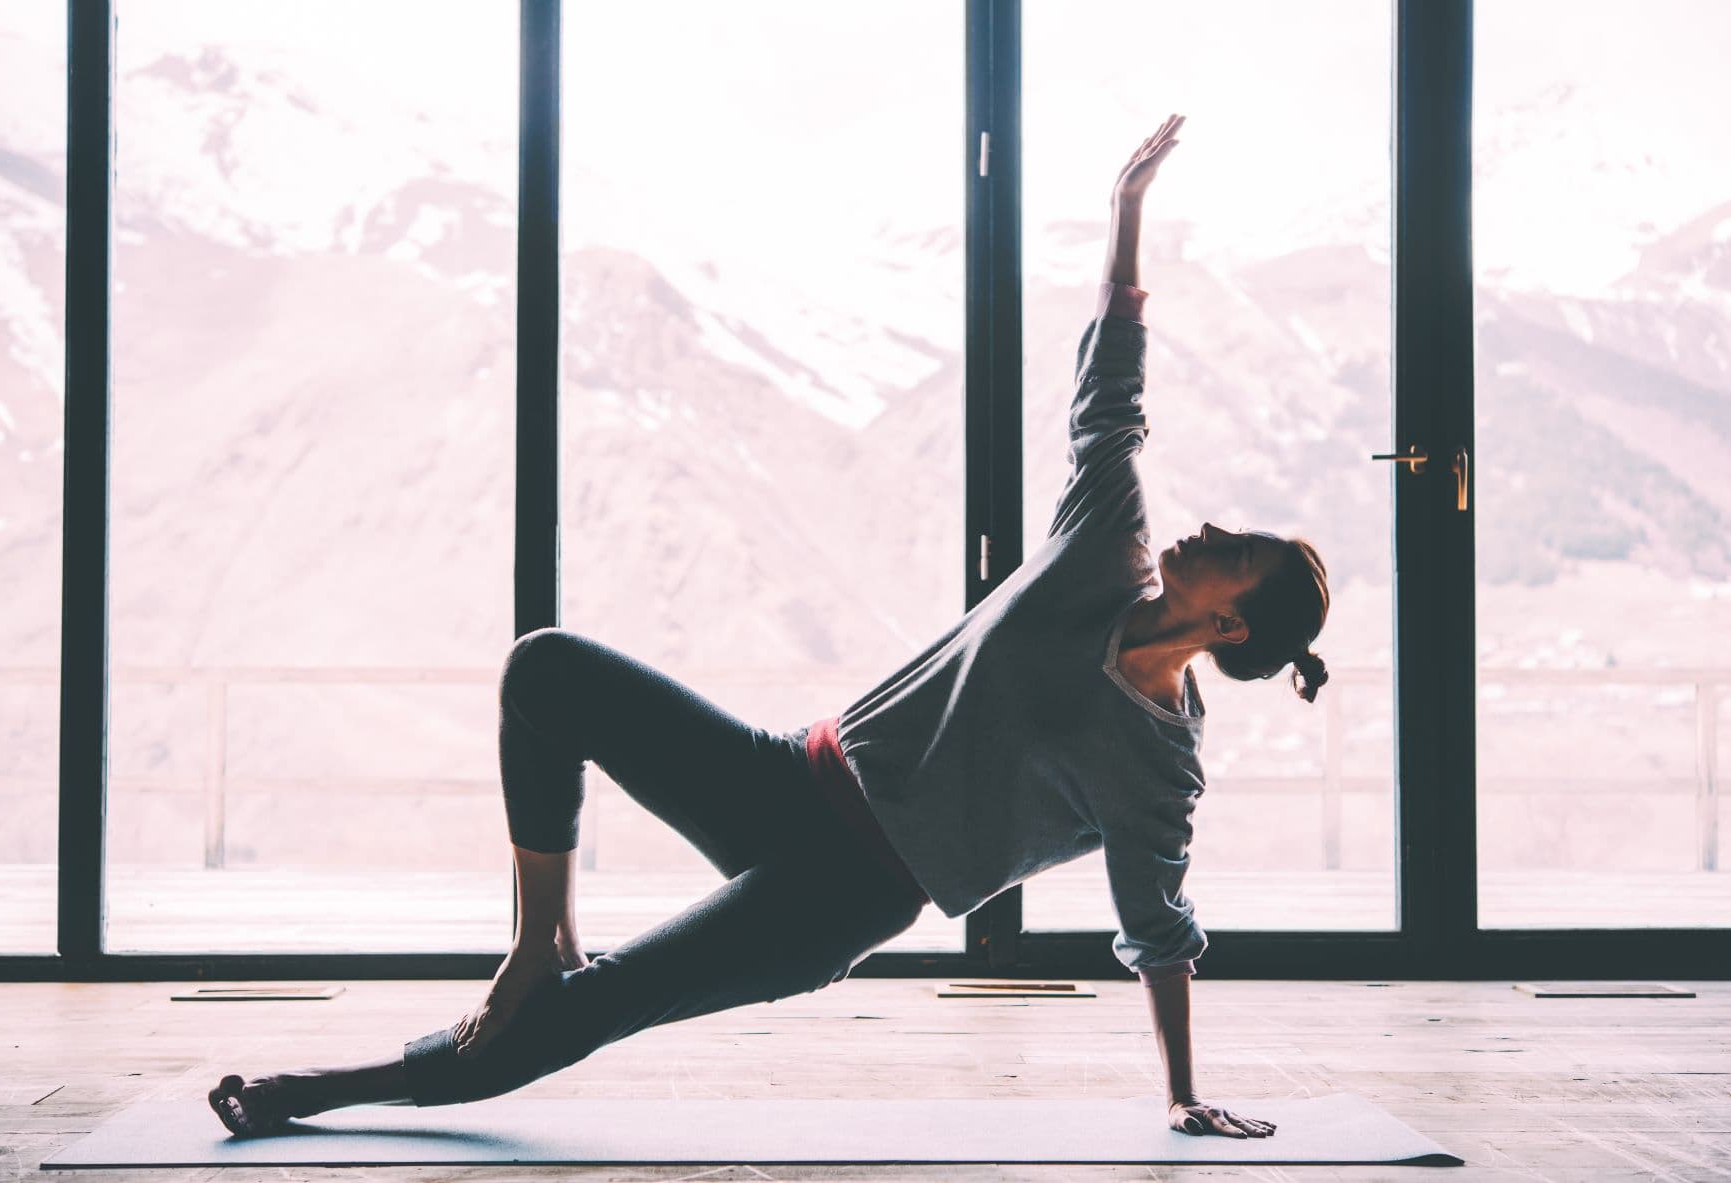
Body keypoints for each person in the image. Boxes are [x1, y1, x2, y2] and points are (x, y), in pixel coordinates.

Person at [208, 112, 1324, 1142]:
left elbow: (1156, 926)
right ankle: (538, 936)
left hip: (845, 892)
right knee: (544, 673)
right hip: (789, 774)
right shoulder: (1102, 547)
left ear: (1228, 626)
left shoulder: (1157, 765)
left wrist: (1179, 1091)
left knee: (599, 1012)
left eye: (1232, 552)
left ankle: (323, 1092)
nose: (1209, 529)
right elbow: (1109, 397)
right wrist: (1126, 215)